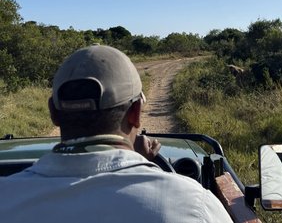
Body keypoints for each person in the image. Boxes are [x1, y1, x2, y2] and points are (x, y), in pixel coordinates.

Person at [0, 45, 233, 223]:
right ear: (136, 113)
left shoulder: (5, 198)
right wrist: (140, 164)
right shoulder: (193, 205)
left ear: (53, 113)